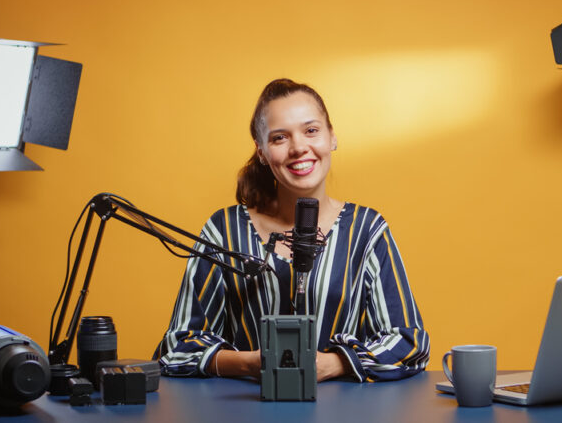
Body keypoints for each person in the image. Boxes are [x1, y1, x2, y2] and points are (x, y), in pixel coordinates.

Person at [157, 78, 429, 382]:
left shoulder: (366, 231)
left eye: (311, 130)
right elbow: (177, 346)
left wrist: (333, 364)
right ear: (261, 152)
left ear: (332, 137)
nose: (299, 147)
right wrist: (249, 364)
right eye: (279, 138)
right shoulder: (224, 231)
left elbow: (409, 343)